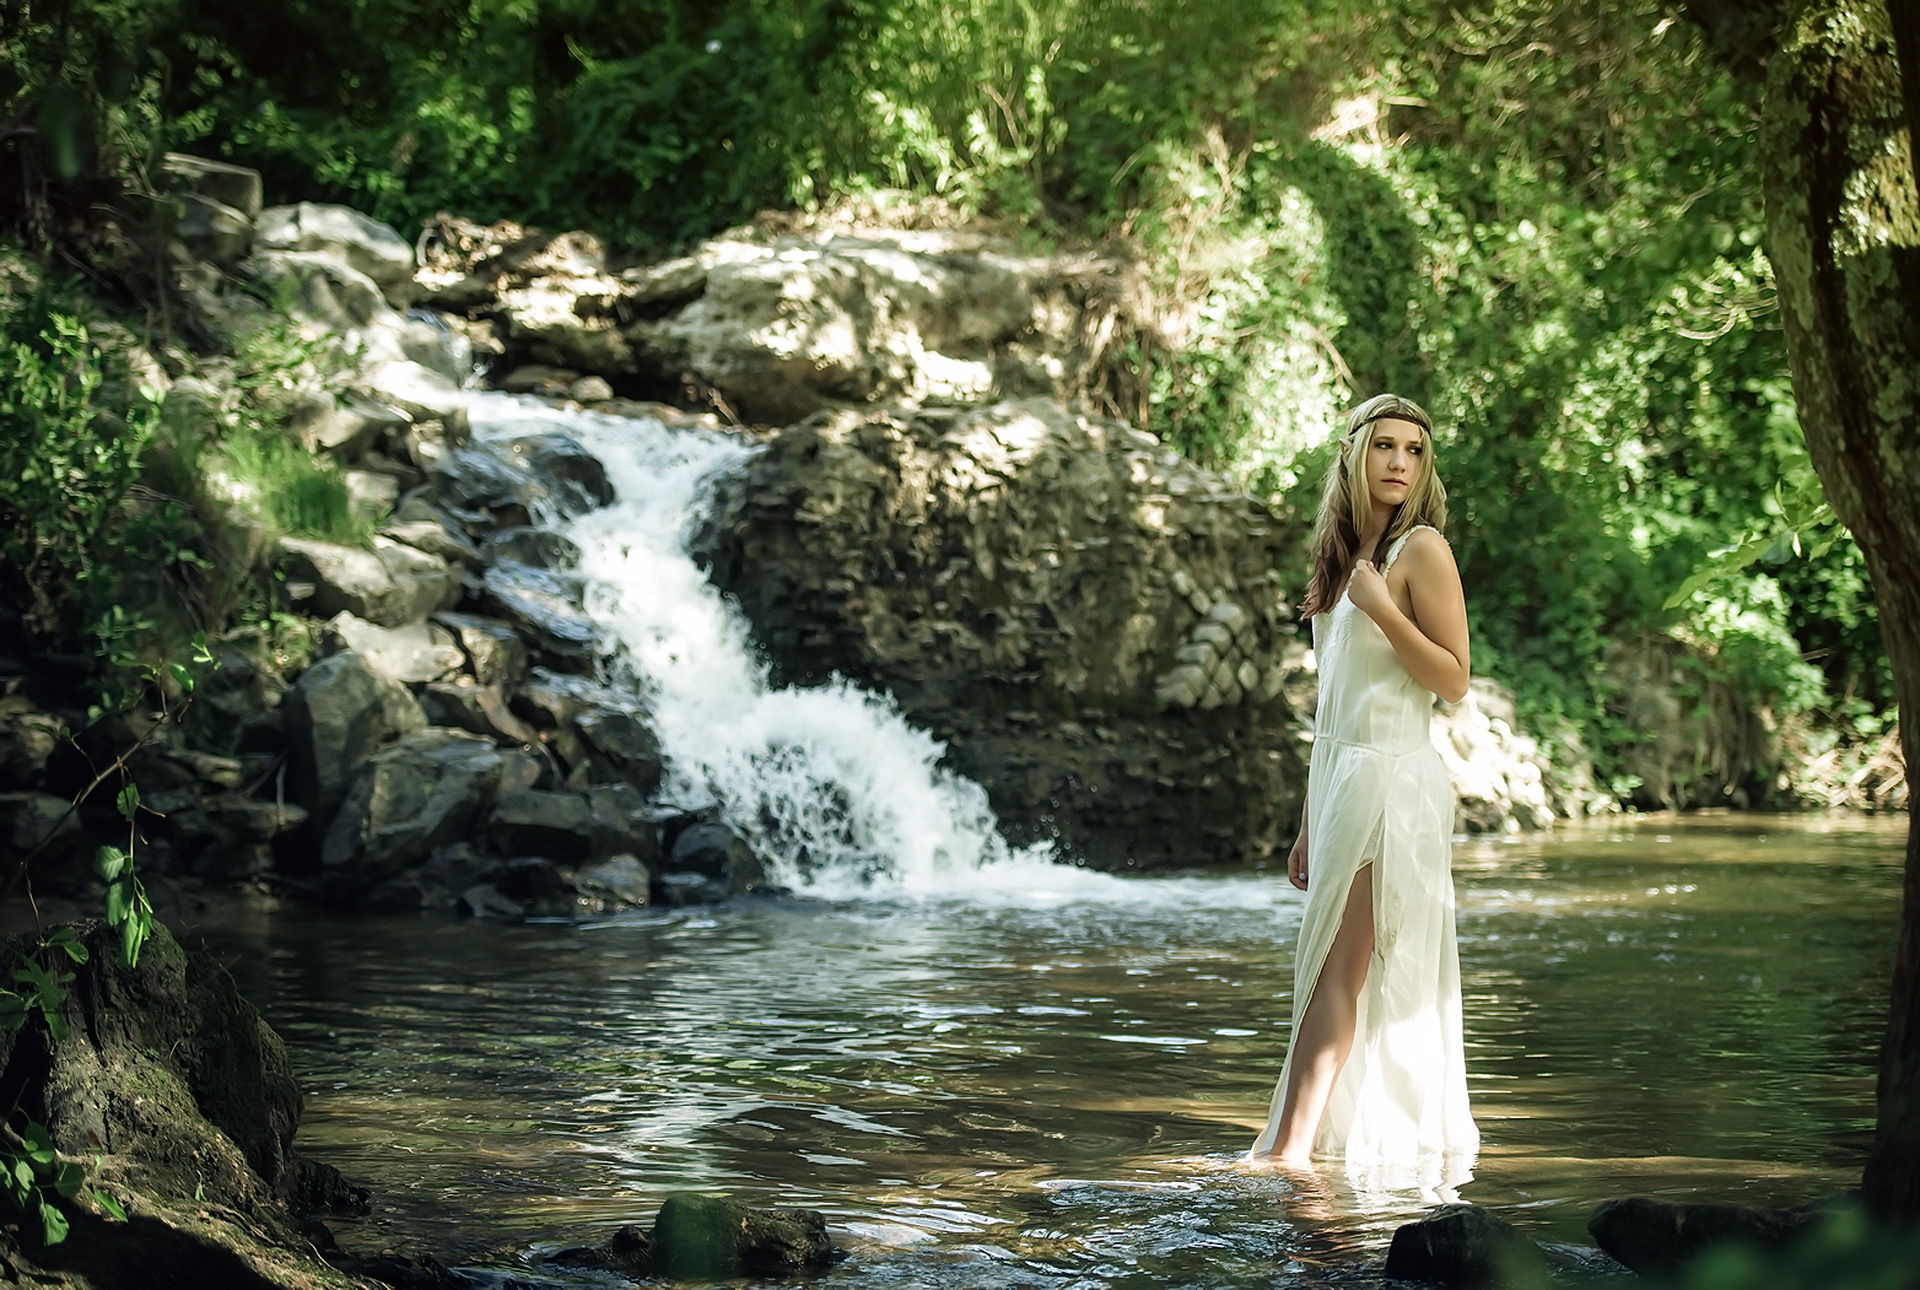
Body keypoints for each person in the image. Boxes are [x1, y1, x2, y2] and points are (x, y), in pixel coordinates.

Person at [1249, 393, 1479, 1168]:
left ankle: (1289, 1151)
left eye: (1415, 451)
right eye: (1385, 446)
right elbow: (1333, 700)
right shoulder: (1341, 558)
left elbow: (1453, 680)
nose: (1400, 463)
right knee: (1327, 964)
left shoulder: (1422, 553)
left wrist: (1382, 609)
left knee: (1338, 966)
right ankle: (1314, 1143)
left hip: (1392, 778)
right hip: (1343, 778)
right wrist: (1310, 820)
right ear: (1353, 454)